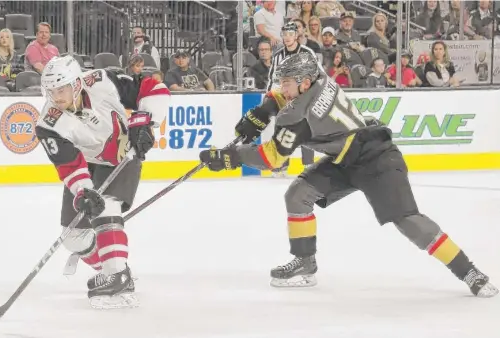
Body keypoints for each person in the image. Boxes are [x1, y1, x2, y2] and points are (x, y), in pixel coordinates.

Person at [198, 52, 498, 298]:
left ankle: (469, 271)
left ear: (303, 83)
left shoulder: (299, 115)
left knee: (408, 221)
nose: (282, 88)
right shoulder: (318, 81)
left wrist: (230, 157)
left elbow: (273, 159)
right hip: (346, 155)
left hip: (375, 158)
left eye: (286, 83)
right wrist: (263, 111)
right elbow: (280, 97)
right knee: (298, 195)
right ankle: (305, 263)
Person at [35, 55, 170, 309]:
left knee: (107, 206)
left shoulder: (102, 80)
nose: (57, 95)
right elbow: (68, 164)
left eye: (62, 88)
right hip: (87, 164)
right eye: (51, 90)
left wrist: (145, 122)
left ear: (77, 83)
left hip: (122, 154)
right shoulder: (48, 124)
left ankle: (116, 275)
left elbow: (153, 88)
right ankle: (116, 269)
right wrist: (84, 191)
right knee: (74, 237)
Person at [267, 21, 319, 176]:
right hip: (285, 99)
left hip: (304, 97)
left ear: (297, 35)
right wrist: (270, 97)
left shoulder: (307, 52)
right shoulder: (277, 56)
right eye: (284, 34)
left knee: (306, 129)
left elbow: (317, 74)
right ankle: (281, 164)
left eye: (291, 34)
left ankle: (308, 165)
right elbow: (272, 79)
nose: (287, 37)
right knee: (283, 130)